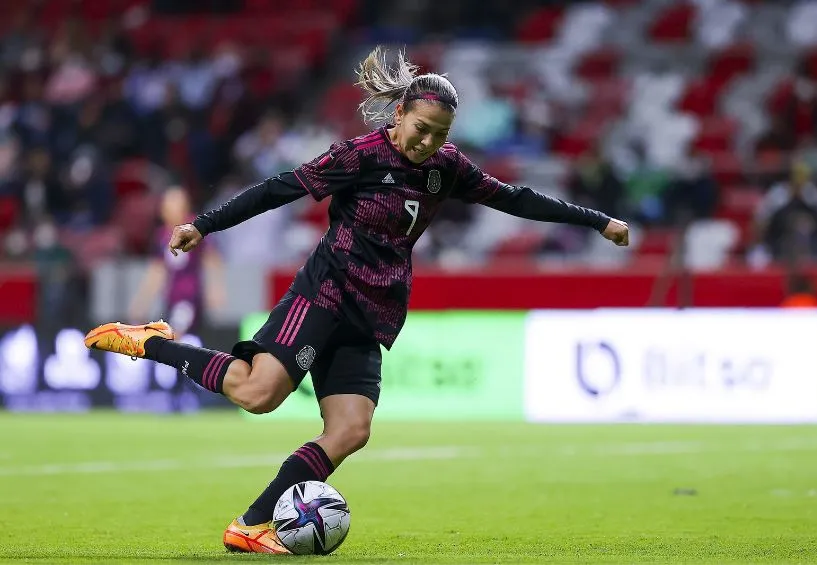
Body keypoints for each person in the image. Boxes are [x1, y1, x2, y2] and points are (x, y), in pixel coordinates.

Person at [83, 46, 629, 554]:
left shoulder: (447, 168)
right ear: (398, 117)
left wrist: (597, 221)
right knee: (259, 394)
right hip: (326, 292)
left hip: (374, 311)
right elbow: (280, 188)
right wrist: (203, 225)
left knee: (350, 431)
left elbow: (517, 200)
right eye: (420, 130)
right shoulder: (359, 157)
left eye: (439, 135)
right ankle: (152, 344)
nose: (426, 144)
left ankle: (250, 525)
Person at [127, 185, 226, 338]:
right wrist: (142, 301)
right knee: (176, 338)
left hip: (190, 297)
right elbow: (157, 271)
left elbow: (211, 257)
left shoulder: (194, 228)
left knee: (175, 335)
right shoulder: (161, 235)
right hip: (171, 298)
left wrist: (215, 288)